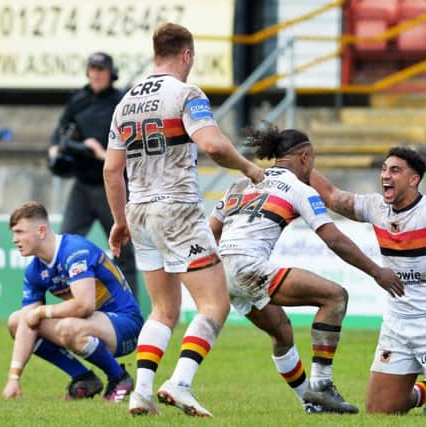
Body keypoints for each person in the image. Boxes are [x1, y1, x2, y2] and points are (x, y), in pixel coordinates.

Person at [103, 22, 265, 417]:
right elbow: (210, 143)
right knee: (214, 305)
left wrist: (119, 220)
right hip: (176, 208)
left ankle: (141, 393)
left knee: (163, 310)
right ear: (187, 55)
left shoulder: (124, 103)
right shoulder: (186, 93)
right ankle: (180, 383)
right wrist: (249, 168)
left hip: (139, 212)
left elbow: (111, 169)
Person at [207, 123, 404, 414]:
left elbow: (211, 232)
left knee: (282, 333)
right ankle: (322, 385)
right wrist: (377, 271)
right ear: (304, 157)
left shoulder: (241, 183)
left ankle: (311, 403)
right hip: (248, 266)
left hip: (219, 272)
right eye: (312, 160)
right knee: (335, 296)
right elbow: (333, 239)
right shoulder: (299, 188)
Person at [309, 132, 426, 416]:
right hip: (397, 323)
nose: (386, 175)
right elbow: (333, 197)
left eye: (395, 170)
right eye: (384, 169)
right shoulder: (376, 207)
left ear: (413, 179)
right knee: (380, 410)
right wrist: (298, 167)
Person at [2, 201, 143, 402]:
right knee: (17, 321)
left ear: (41, 231)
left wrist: (43, 312)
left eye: (20, 232)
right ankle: (84, 378)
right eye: (14, 233)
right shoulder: (34, 271)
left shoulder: (74, 251)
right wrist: (13, 378)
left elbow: (85, 306)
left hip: (125, 324)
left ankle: (119, 378)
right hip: (94, 323)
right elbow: (27, 322)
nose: (15, 239)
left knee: (68, 327)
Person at [48, 52, 138, 296]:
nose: (97, 74)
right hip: (82, 185)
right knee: (64, 246)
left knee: (124, 253)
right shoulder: (78, 100)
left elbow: (132, 142)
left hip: (112, 185)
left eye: (102, 69)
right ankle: (76, 306)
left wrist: (101, 153)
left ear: (111, 73)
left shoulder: (121, 101)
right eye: (93, 69)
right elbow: (59, 131)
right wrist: (55, 148)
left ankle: (130, 315)